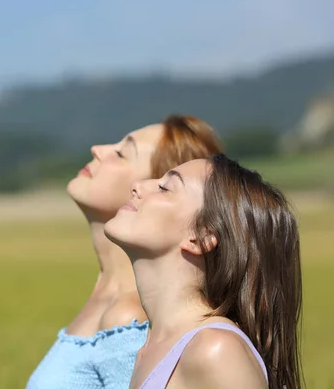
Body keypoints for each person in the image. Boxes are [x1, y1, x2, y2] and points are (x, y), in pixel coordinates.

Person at [26, 115, 222, 389]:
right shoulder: (112, 298)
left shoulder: (132, 316)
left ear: (156, 187)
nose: (98, 149)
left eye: (121, 153)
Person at [104, 153, 303, 389]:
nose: (137, 186)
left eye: (165, 188)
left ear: (202, 238)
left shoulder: (215, 351)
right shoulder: (151, 347)